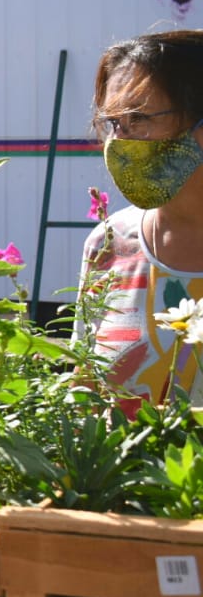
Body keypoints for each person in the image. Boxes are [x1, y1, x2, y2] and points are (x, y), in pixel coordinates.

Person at [76, 29, 203, 406]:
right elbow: (83, 393)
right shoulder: (109, 245)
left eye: (138, 119)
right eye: (113, 123)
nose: (119, 142)